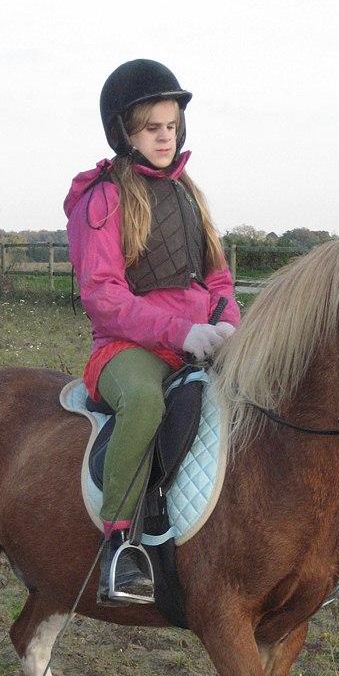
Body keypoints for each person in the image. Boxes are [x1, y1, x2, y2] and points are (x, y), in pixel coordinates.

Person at [65, 59, 240, 607]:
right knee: (143, 404)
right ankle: (120, 547)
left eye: (170, 126)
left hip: (198, 337)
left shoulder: (189, 193)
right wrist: (181, 331)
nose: (164, 137)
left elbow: (216, 276)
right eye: (150, 128)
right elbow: (104, 297)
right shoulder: (105, 197)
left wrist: (227, 321)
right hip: (127, 348)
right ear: (125, 133)